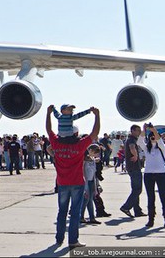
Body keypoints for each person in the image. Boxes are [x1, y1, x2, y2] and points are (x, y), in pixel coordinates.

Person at [46, 104, 100, 249]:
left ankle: (59, 239)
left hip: (62, 183)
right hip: (77, 182)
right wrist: (97, 115)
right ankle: (73, 240)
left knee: (62, 212)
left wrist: (49, 113)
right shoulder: (79, 145)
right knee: (75, 213)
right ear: (75, 134)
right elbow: (94, 134)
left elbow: (49, 130)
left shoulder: (56, 144)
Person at [142, 123, 165, 228]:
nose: (153, 138)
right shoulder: (146, 148)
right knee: (150, 198)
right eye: (151, 137)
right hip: (148, 174)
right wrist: (144, 129)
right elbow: (140, 141)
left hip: (161, 174)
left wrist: (154, 130)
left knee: (163, 197)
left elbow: (159, 140)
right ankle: (151, 219)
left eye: (154, 137)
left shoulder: (162, 148)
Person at [120, 124, 147, 219]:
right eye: (137, 130)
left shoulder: (134, 139)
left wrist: (144, 129)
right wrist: (135, 155)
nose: (139, 132)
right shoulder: (131, 140)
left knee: (135, 189)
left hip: (134, 167)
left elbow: (142, 137)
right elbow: (132, 148)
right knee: (138, 189)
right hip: (134, 167)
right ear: (132, 131)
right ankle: (126, 207)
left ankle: (137, 210)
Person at [80, 144, 102, 224]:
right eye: (95, 152)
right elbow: (83, 172)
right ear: (90, 151)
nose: (96, 155)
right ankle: (81, 216)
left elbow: (94, 173)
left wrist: (96, 186)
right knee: (86, 200)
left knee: (90, 200)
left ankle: (92, 217)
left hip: (92, 181)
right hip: (86, 181)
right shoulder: (84, 160)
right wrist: (85, 185)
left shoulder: (92, 159)